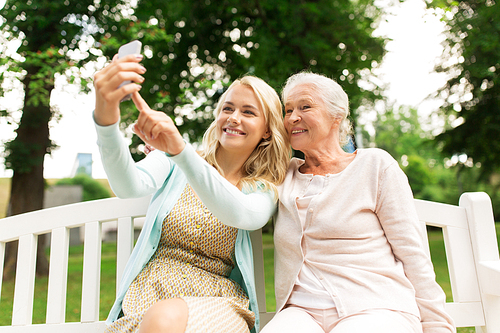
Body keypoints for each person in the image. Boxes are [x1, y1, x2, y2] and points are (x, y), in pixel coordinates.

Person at [92, 52, 290, 333]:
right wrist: (106, 119)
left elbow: (244, 214)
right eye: (227, 108)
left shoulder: (263, 187)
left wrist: (180, 151)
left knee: (164, 319)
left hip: (219, 303)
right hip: (148, 294)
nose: (233, 118)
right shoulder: (176, 161)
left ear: (268, 131)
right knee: (159, 319)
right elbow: (128, 186)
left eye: (248, 112)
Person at [261, 72, 455, 333]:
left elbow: (412, 254)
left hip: (376, 307)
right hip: (301, 312)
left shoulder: (374, 165)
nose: (293, 117)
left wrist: (437, 325)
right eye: (288, 110)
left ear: (336, 116)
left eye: (305, 107)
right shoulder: (283, 175)